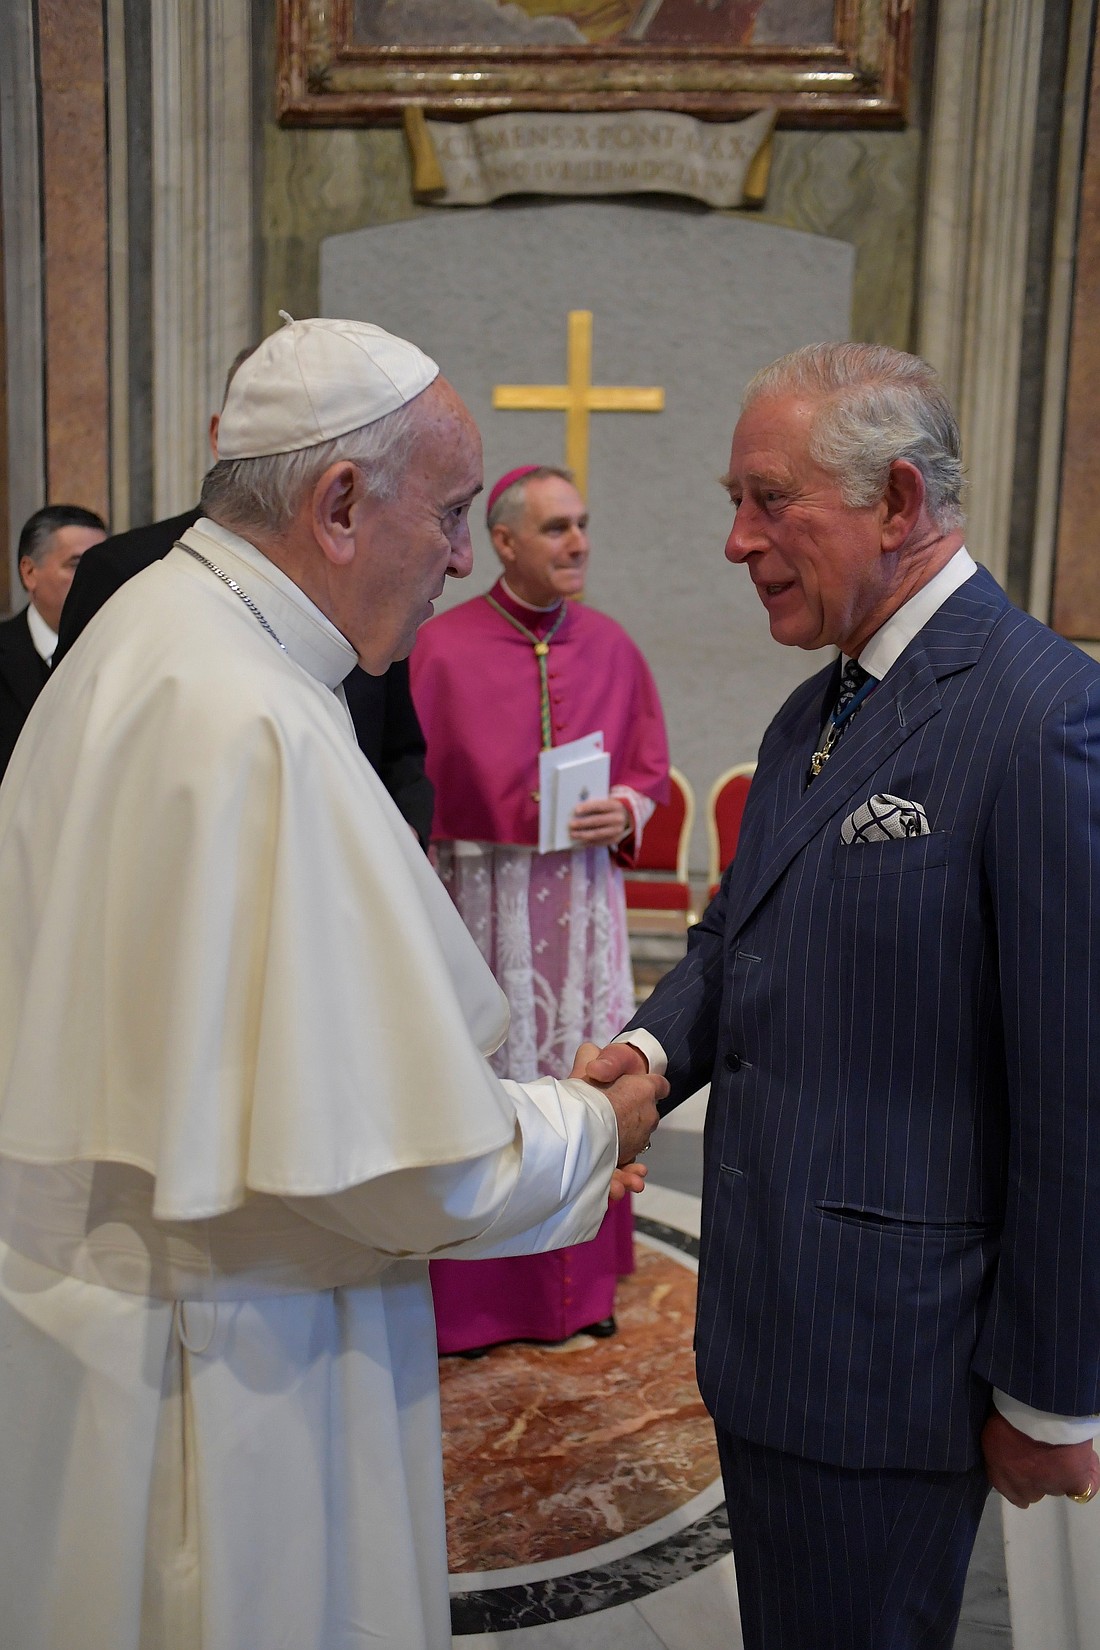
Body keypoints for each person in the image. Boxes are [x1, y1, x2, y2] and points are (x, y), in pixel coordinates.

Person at [0, 315, 666, 1650]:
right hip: (241, 1370)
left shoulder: (148, 643)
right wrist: (597, 1119)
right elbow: (408, 1164)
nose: (463, 556)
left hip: (100, 1328)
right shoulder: (254, 717)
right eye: (455, 511)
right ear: (342, 502)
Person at [586, 342, 1100, 1650]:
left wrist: (1049, 1394)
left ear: (900, 504)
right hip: (772, 1333)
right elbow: (735, 934)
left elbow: (1075, 1086)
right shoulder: (813, 708)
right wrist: (652, 1047)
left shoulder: (1042, 716)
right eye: (734, 501)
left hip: (893, 1368)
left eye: (768, 500)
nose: (735, 540)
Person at [410, 463, 669, 1351]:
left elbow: (645, 766)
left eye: (583, 525)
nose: (578, 543)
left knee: (581, 1066)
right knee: (490, 1074)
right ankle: (480, 1303)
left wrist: (628, 807)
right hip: (481, 901)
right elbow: (412, 790)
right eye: (557, 528)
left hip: (582, 901)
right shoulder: (440, 648)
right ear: (506, 541)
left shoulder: (614, 643)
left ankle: (576, 1293)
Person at [54, 348, 434, 843]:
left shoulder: (361, 575)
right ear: (221, 436)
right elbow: (85, 747)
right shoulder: (123, 568)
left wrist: (405, 828)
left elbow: (397, 744)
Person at [0, 505, 106, 779]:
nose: (93, 580)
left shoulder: (121, 653)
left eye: (100, 566)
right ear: (29, 572)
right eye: (76, 565)